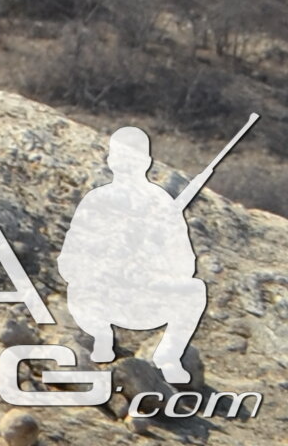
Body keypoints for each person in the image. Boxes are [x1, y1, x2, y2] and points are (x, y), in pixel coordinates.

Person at [58, 126, 215, 381]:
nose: (126, 164)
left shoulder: (163, 205)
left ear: (147, 162)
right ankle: (102, 337)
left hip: (146, 296)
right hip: (102, 294)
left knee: (195, 290)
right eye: (121, 158)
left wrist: (153, 257)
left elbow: (185, 265)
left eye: (133, 158)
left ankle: (167, 357)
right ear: (110, 161)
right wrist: (103, 262)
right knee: (79, 288)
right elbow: (68, 261)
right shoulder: (96, 201)